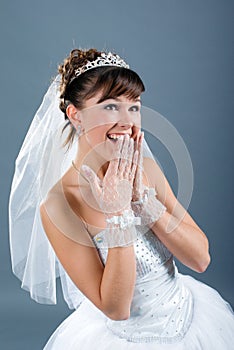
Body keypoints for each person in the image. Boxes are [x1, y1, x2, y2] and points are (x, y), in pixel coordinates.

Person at [9, 48, 234, 349]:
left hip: (192, 318)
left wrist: (143, 202)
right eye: (111, 107)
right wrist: (118, 215)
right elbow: (116, 308)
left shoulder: (145, 169)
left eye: (135, 107)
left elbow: (201, 259)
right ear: (76, 115)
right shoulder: (60, 206)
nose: (128, 121)